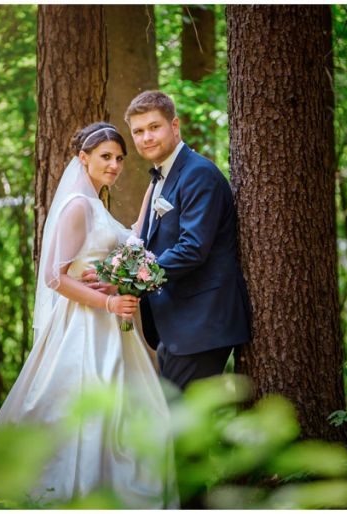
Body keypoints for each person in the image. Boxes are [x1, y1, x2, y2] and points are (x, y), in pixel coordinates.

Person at [0, 122, 178, 508]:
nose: (114, 165)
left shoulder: (96, 204)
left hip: (115, 325)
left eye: (120, 158)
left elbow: (132, 238)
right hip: (85, 326)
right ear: (83, 158)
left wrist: (151, 195)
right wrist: (109, 302)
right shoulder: (77, 205)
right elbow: (54, 278)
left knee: (126, 411)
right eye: (106, 157)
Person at [88, 91, 252, 391]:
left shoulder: (198, 174)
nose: (146, 137)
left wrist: (126, 281)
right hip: (178, 327)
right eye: (138, 131)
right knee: (180, 427)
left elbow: (192, 249)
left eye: (154, 127)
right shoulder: (162, 177)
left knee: (181, 429)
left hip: (201, 324)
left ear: (174, 126)